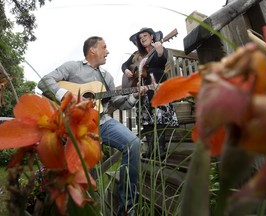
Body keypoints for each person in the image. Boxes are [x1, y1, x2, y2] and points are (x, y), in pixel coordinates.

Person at [37, 36, 147, 216]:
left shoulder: (107, 76)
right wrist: (68, 96)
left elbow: (119, 103)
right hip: (77, 127)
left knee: (133, 144)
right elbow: (44, 82)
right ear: (92, 50)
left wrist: (135, 96)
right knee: (84, 174)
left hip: (102, 121)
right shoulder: (73, 67)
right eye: (104, 47)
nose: (108, 51)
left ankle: (127, 209)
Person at [121, 27, 179, 160]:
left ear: (152, 36)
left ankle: (161, 150)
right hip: (142, 91)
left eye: (145, 36)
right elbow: (124, 65)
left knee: (159, 118)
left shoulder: (158, 48)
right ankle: (151, 150)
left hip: (157, 87)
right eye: (140, 37)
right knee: (146, 121)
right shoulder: (136, 55)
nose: (142, 39)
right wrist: (127, 71)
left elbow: (162, 58)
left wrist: (159, 48)